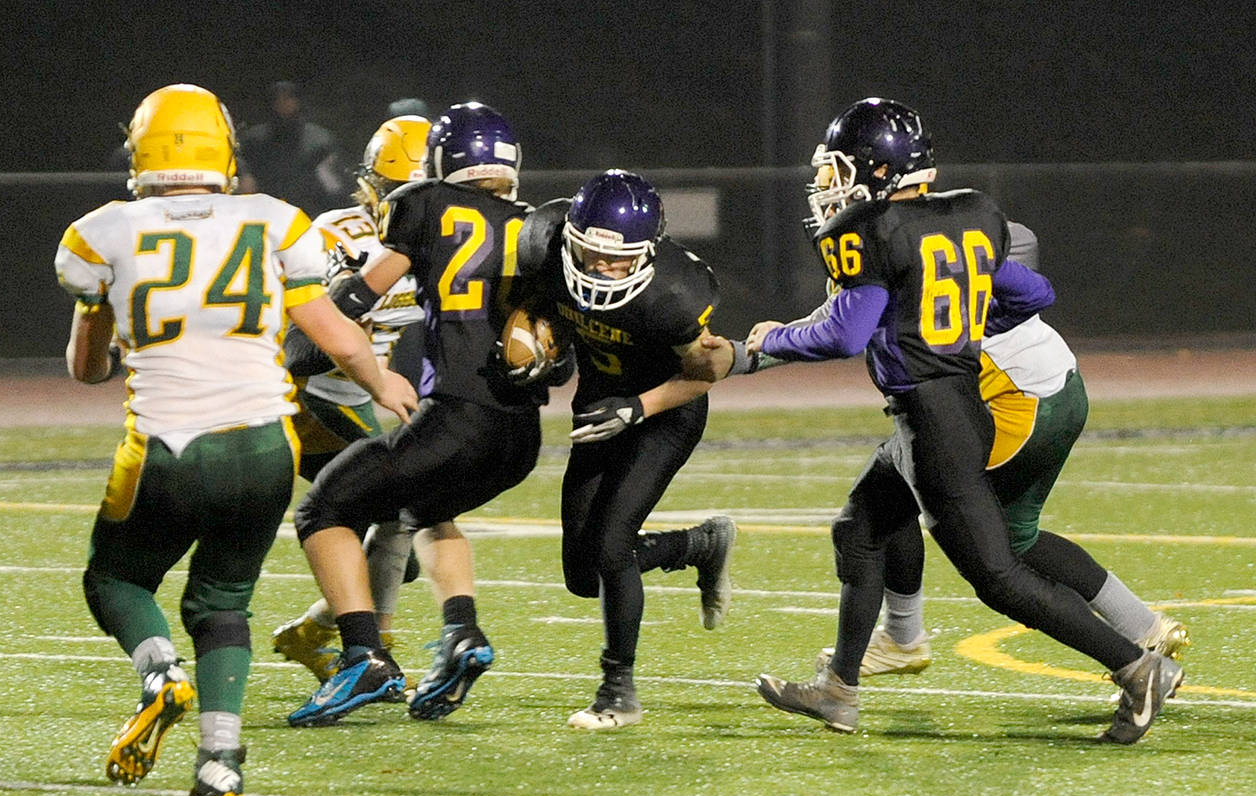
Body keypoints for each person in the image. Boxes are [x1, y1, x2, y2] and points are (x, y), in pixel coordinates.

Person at [714, 98, 1181, 743]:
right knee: (862, 525)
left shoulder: (868, 230)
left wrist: (770, 341)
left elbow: (847, 332)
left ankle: (1135, 666)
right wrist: (965, 304)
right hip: (943, 407)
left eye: (836, 170)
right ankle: (839, 690)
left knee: (998, 573)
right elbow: (1035, 294)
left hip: (940, 416)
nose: (825, 186)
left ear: (874, 170)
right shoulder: (974, 212)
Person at [53, 84, 415, 796]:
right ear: (224, 148)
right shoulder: (274, 221)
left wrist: (104, 318)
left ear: (140, 151)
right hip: (265, 446)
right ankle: (221, 763)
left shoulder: (99, 232)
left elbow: (88, 369)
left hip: (166, 448)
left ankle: (161, 675)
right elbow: (336, 334)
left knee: (116, 579)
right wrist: (382, 385)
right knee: (224, 602)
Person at [815, 221, 1190, 678]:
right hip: (1060, 390)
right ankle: (1144, 626)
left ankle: (903, 637)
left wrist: (754, 349)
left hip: (1019, 409)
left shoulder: (934, 287)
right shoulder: (996, 294)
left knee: (960, 544)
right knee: (1017, 536)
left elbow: (842, 333)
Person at [285, 102, 549, 726]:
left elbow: (352, 305)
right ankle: (459, 633)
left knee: (329, 511)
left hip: (444, 414)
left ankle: (361, 652)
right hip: (519, 433)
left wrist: (336, 345)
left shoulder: (423, 213)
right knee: (423, 511)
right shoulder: (535, 227)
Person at [515, 169, 737, 730]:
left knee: (612, 544)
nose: (601, 269)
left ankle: (618, 691)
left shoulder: (673, 293)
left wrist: (636, 408)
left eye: (617, 260)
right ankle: (698, 545)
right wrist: (540, 345)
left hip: (665, 412)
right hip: (598, 404)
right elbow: (533, 308)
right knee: (582, 574)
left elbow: (703, 375)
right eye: (588, 254)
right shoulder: (546, 249)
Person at [272, 114, 432, 682]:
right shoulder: (339, 236)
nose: (414, 207)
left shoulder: (443, 243)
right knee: (401, 503)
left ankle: (322, 632)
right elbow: (304, 351)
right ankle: (369, 650)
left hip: (351, 394)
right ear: (372, 188)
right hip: (301, 397)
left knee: (403, 532)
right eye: (402, 194)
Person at [239, 81, 346, 216]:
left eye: (288, 98)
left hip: (309, 214)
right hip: (265, 214)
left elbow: (334, 186)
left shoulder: (319, 140)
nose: (283, 104)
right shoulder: (254, 139)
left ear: (298, 101)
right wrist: (245, 175)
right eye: (278, 99)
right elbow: (242, 169)